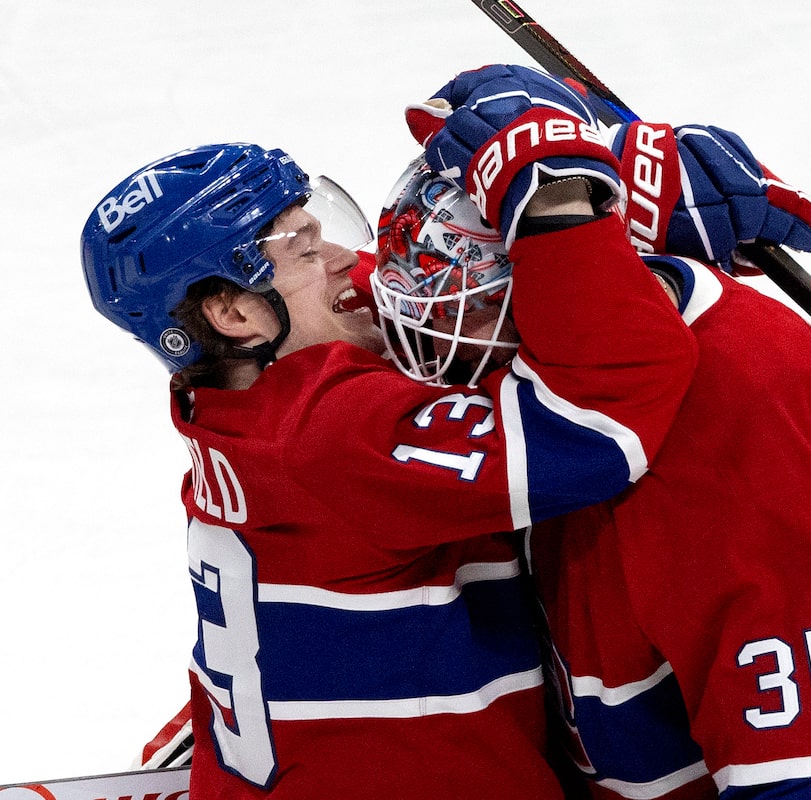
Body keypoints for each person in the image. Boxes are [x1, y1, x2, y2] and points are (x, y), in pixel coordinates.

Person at [387, 66, 811, 800]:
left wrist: (567, 191)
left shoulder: (722, 436)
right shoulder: (618, 349)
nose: (418, 330)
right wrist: (590, 163)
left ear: (550, 278)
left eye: (460, 298)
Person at [79, 64, 700, 798]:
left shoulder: (228, 402)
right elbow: (598, 428)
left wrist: (611, 167)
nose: (350, 261)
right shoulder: (338, 431)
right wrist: (559, 210)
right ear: (236, 317)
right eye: (308, 252)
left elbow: (405, 279)